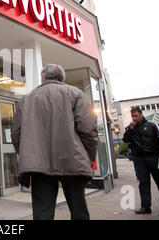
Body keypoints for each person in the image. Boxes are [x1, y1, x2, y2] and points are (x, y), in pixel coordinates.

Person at [11, 64, 98, 220]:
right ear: (62, 79)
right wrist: (88, 156)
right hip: (73, 160)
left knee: (42, 213)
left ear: (43, 78)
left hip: (39, 166)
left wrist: (30, 156)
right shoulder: (76, 94)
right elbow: (89, 130)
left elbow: (16, 134)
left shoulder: (26, 100)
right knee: (79, 210)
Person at [122, 106, 159, 214]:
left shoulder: (152, 126)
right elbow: (125, 139)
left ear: (141, 114)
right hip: (140, 158)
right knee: (143, 182)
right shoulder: (131, 128)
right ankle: (145, 206)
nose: (134, 118)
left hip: (153, 156)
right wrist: (129, 130)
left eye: (136, 116)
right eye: (132, 116)